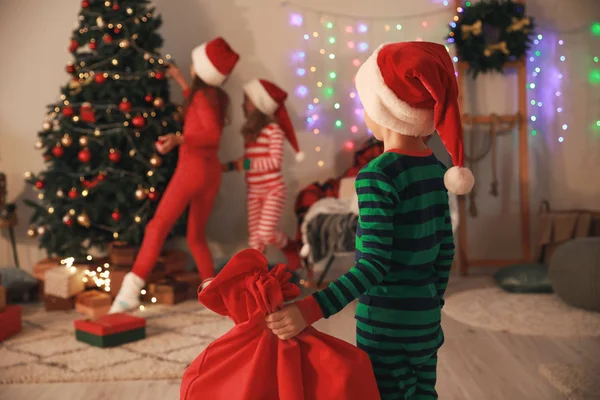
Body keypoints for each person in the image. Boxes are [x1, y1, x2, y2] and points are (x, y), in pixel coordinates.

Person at [264, 41, 475, 399]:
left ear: (384, 108)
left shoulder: (376, 176)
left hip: (386, 325)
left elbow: (373, 265)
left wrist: (309, 309)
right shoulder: (436, 170)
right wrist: (429, 304)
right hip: (425, 321)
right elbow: (445, 251)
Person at [109, 37, 240, 314]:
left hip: (192, 171)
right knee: (196, 236)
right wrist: (181, 81)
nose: (191, 67)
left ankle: (129, 292)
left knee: (157, 227)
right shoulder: (212, 97)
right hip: (210, 173)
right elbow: (200, 116)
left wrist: (179, 138)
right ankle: (213, 294)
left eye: (194, 64)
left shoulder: (203, 97)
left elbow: (210, 134)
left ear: (202, 70)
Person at [222, 79, 303, 270]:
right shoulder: (250, 134)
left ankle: (292, 247)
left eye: (247, 101)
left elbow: (274, 162)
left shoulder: (273, 130)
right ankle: (256, 274)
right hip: (254, 192)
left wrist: (246, 163)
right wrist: (231, 166)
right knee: (255, 239)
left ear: (259, 104)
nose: (243, 105)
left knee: (266, 233)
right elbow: (250, 162)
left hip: (273, 190)